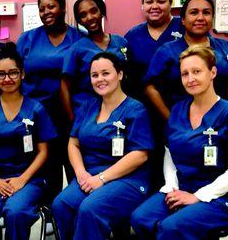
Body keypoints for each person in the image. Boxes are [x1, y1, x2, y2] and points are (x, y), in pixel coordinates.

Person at [131, 46, 228, 239]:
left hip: (223, 197)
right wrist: (172, 187)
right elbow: (169, 153)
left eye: (197, 71)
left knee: (171, 228)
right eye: (185, 74)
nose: (190, 79)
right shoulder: (178, 110)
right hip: (184, 187)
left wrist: (198, 196)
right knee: (140, 218)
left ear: (212, 72)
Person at [52, 52, 154, 240]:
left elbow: (140, 154)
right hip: (90, 176)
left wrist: (102, 178)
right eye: (95, 75)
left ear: (120, 74)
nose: (100, 79)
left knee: (90, 208)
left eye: (106, 73)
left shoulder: (135, 109)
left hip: (128, 179)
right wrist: (81, 172)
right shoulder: (88, 107)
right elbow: (73, 143)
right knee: (61, 204)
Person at [0, 43, 57, 240]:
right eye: (1, 74)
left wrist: (22, 179)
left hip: (28, 178)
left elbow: (44, 151)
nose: (7, 78)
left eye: (13, 73)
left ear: (22, 74)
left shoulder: (36, 109)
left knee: (16, 212)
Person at [17, 0, 83, 198]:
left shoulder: (79, 38)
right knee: (47, 163)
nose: (46, 12)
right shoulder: (28, 39)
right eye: (41, 8)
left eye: (51, 6)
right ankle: (50, 212)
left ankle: (74, 207)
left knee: (75, 161)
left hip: (71, 112)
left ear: (63, 8)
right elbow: (15, 74)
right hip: (37, 112)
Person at [144, 0, 228, 121]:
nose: (200, 18)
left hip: (221, 121)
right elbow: (150, 87)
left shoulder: (226, 48)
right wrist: (170, 120)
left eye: (206, 13)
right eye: (194, 13)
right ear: (183, 19)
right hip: (183, 124)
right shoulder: (167, 51)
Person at [61, 0, 129, 122]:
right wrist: (72, 119)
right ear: (79, 21)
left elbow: (129, 77)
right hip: (88, 110)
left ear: (101, 11)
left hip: (119, 107)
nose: (90, 17)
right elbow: (64, 85)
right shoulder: (76, 49)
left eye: (93, 11)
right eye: (83, 15)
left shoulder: (121, 42)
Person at [124, 0, 183, 99]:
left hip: (182, 104)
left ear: (171, 3)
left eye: (161, 2)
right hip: (143, 105)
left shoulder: (184, 27)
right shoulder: (132, 36)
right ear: (143, 5)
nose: (154, 6)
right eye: (149, 2)